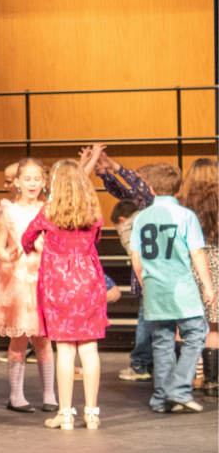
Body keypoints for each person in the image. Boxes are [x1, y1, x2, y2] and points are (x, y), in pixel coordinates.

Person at [22, 158, 108, 431]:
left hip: (58, 283)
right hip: (89, 281)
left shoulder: (48, 212)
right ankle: (92, 414)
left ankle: (65, 413)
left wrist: (39, 248)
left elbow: (26, 239)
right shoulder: (93, 211)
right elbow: (94, 241)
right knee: (89, 348)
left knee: (66, 350)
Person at [131, 162, 215, 413]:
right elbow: (197, 253)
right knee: (197, 333)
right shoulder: (186, 216)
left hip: (154, 288)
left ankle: (161, 398)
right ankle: (178, 389)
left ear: (152, 188)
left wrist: (146, 283)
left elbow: (136, 259)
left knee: (162, 340)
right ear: (178, 189)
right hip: (181, 289)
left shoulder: (141, 217)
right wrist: (209, 287)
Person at [0, 158, 58, 413]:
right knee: (19, 339)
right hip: (18, 281)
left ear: (43, 182)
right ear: (18, 182)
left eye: (37, 179)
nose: (32, 183)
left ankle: (49, 393)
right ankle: (16, 395)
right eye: (27, 179)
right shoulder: (9, 211)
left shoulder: (49, 209)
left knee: (44, 340)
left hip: (43, 279)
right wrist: (5, 255)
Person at [93, 148, 156, 381]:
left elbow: (134, 189)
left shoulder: (150, 206)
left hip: (150, 274)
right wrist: (105, 174)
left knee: (148, 320)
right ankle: (143, 364)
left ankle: (141, 364)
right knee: (147, 318)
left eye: (139, 183)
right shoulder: (140, 208)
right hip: (145, 275)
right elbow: (123, 192)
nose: (133, 190)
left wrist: (116, 167)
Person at [177, 158, 219, 401]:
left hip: (188, 264)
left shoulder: (182, 205)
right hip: (217, 265)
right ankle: (212, 383)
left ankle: (189, 377)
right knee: (213, 324)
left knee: (184, 324)